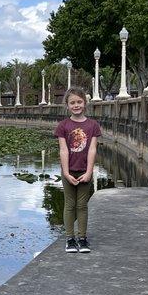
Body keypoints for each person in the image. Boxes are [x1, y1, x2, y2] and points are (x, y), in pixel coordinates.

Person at [54, 87, 101, 253]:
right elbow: (63, 150)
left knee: (82, 205)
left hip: (85, 171)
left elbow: (92, 150)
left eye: (79, 102)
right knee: (69, 205)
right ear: (67, 105)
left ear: (85, 103)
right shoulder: (63, 126)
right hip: (69, 171)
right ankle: (70, 239)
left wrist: (89, 172)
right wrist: (66, 173)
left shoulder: (92, 125)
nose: (76, 105)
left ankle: (82, 238)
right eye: (72, 102)